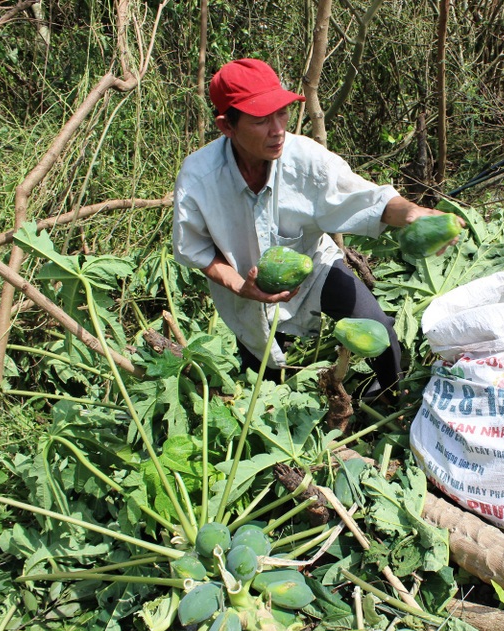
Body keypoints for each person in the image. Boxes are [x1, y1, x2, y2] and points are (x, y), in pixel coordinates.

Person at [172, 58, 456, 398]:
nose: (278, 129)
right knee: (262, 378)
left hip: (314, 266)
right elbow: (196, 250)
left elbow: (368, 199)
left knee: (378, 327)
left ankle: (391, 396)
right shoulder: (198, 178)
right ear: (227, 126)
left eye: (282, 113)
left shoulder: (305, 158)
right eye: (262, 120)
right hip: (244, 290)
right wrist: (239, 285)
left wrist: (411, 214)